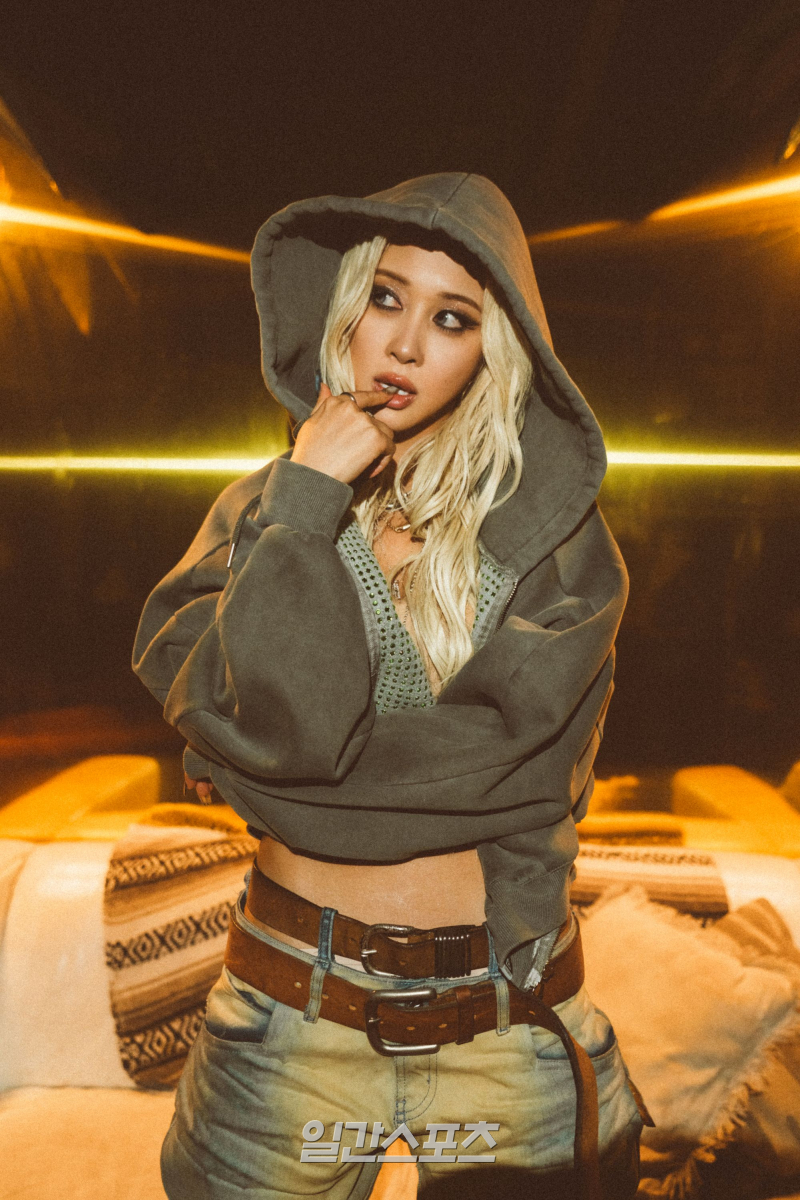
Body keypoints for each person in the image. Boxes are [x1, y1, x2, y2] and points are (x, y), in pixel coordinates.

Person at [133, 172, 649, 1200]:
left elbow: (493, 767)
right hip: (288, 1009)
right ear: (345, 309)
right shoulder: (261, 515)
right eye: (385, 298)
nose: (406, 345)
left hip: (505, 1012)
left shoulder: (555, 543)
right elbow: (293, 732)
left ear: (494, 349)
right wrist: (308, 499)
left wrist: (267, 771)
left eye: (452, 318)